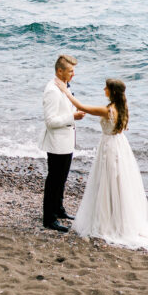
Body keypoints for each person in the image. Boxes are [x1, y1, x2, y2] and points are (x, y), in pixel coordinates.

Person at [55, 77, 148, 254]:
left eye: (106, 87)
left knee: (108, 182)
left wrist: (66, 91)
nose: (103, 89)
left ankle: (110, 222)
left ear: (112, 92)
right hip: (119, 145)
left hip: (110, 147)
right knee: (117, 183)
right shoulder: (122, 108)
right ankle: (116, 218)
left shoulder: (108, 110)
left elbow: (82, 108)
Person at [40, 54, 85, 232]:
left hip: (67, 141)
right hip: (57, 142)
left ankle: (59, 210)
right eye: (71, 71)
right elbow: (50, 121)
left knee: (62, 180)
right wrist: (72, 116)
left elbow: (66, 107)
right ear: (60, 71)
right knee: (54, 181)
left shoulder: (65, 86)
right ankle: (49, 219)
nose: (73, 74)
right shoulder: (52, 90)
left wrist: (74, 113)